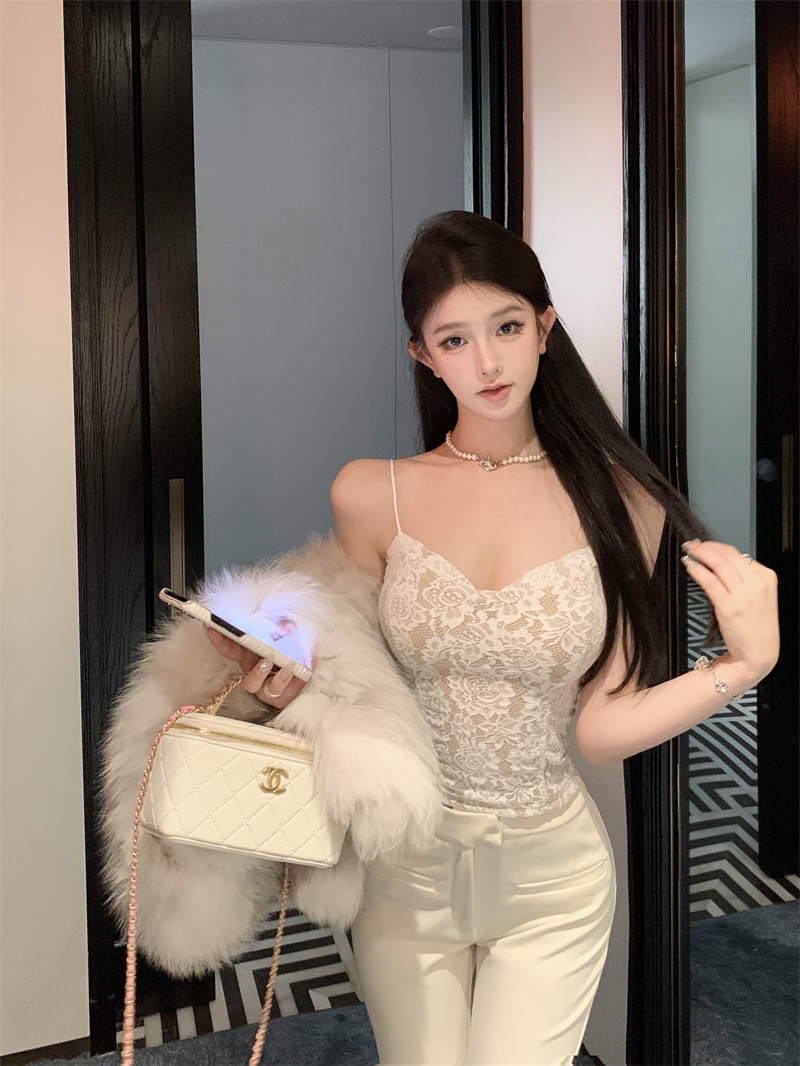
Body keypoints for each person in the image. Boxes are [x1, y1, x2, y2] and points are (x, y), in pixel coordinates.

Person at [206, 210, 779, 1065]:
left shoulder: (626, 500)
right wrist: (286, 684)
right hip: (405, 866)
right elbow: (363, 684)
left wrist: (744, 664)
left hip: (553, 874)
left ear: (545, 328)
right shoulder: (371, 494)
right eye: (454, 339)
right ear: (423, 356)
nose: (487, 363)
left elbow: (602, 728)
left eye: (507, 327)